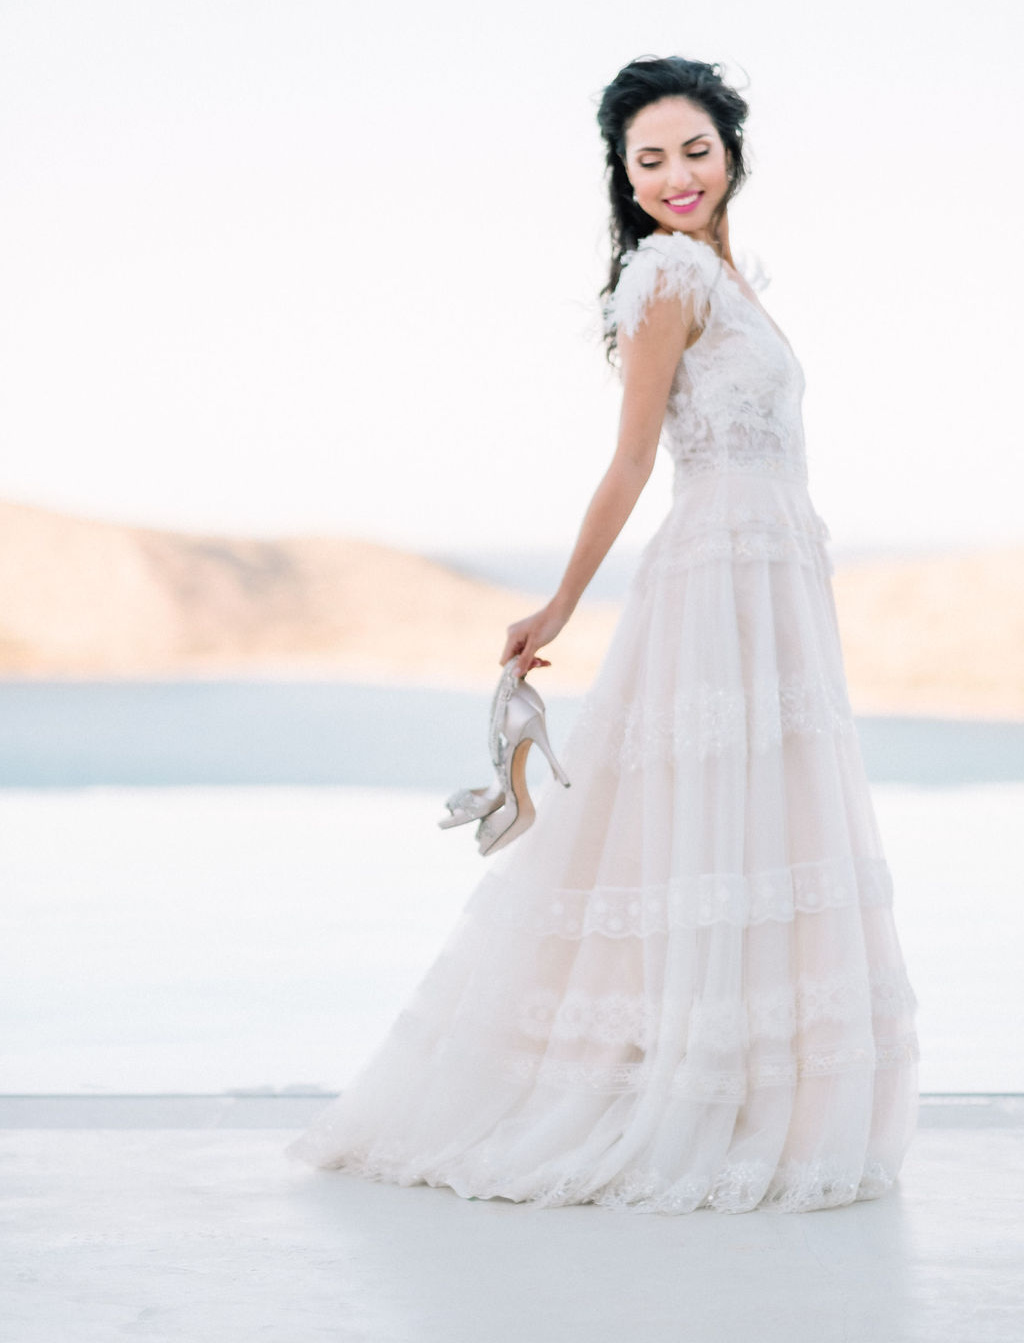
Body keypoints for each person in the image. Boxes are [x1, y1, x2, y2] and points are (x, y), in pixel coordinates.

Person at [284, 54, 920, 1213]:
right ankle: (674, 1086)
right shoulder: (666, 274)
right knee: (700, 825)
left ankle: (746, 1089)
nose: (676, 175)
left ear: (732, 155)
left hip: (771, 574)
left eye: (694, 151)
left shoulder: (729, 275)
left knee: (753, 823)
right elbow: (630, 462)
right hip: (719, 574)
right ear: (624, 179)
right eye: (649, 159)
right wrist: (560, 604)